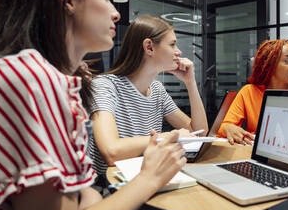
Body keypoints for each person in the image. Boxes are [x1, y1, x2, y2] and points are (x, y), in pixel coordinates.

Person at [0, 0, 186, 210]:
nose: (116, 12)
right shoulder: (31, 79)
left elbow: (81, 197)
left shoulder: (48, 77)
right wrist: (150, 177)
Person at [89, 15, 208, 178]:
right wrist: (168, 137)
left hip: (146, 179)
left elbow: (198, 133)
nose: (178, 52)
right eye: (172, 44)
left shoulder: (157, 90)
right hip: (109, 186)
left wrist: (191, 83)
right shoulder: (105, 85)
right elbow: (111, 151)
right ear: (149, 47)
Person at [217, 39, 288, 145]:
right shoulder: (249, 92)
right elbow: (223, 126)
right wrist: (228, 128)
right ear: (270, 66)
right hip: (256, 153)